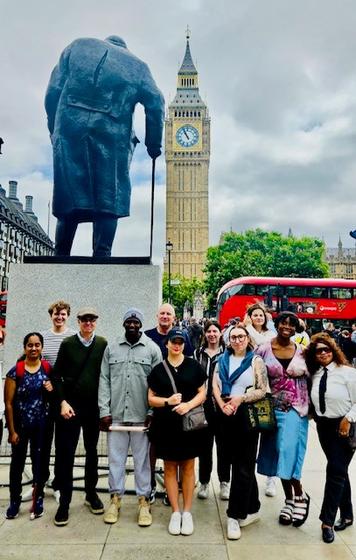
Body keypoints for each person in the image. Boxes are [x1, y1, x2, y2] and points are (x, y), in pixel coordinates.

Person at [45, 35, 164, 256]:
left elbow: (52, 91)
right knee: (109, 195)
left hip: (69, 128)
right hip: (112, 135)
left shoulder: (77, 45)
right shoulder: (138, 67)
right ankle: (102, 253)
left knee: (68, 193)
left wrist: (54, 126)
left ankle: (60, 253)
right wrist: (153, 144)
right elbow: (156, 103)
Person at [98, 308, 161, 527]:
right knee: (116, 460)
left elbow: (157, 385)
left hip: (141, 416)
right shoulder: (111, 348)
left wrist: (153, 412)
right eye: (129, 322)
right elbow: (104, 380)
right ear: (124, 324)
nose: (132, 325)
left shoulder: (152, 349)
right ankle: (115, 499)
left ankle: (143, 501)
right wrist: (104, 411)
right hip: (115, 416)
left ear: (141, 325)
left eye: (136, 322)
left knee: (142, 462)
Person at [51, 306, 107, 526]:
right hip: (71, 407)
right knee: (66, 454)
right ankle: (64, 502)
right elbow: (56, 376)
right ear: (78, 321)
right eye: (84, 320)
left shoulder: (102, 343)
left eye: (92, 319)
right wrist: (62, 402)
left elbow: (106, 375)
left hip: (92, 407)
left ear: (96, 321)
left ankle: (90, 493)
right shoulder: (68, 344)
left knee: (92, 451)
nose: (88, 323)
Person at [147, 328, 206, 536]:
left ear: (184, 344)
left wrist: (188, 405)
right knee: (170, 467)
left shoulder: (193, 366)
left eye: (181, 342)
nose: (177, 345)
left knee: (189, 467)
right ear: (167, 343)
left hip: (188, 425)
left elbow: (203, 393)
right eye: (174, 341)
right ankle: (175, 511)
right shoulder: (158, 369)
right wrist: (167, 401)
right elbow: (151, 398)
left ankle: (187, 512)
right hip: (166, 425)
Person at [212, 325, 268, 540]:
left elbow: (262, 389)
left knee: (243, 466)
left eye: (241, 336)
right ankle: (252, 506)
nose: (237, 340)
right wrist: (223, 404)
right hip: (225, 414)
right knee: (233, 461)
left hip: (246, 415)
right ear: (228, 340)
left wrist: (239, 399)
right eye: (233, 337)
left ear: (247, 338)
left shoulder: (255, 361)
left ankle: (234, 515)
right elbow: (215, 386)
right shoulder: (221, 360)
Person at [256, 312, 310, 528]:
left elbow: (314, 377)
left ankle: (300, 494)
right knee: (277, 454)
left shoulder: (304, 352)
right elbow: (254, 376)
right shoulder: (263, 348)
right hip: (272, 408)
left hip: (297, 408)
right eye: (283, 323)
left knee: (288, 450)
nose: (287, 326)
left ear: (296, 328)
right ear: (276, 325)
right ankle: (289, 500)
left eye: (291, 324)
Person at [304, 333, 356, 543]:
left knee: (334, 470)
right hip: (324, 428)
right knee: (339, 470)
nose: (323, 353)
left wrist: (349, 418)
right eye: (319, 351)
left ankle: (327, 521)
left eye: (327, 349)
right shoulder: (314, 375)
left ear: (334, 351)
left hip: (346, 426)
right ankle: (348, 514)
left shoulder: (348, 373)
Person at [145, 302, 193, 505]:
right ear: (157, 316)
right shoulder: (147, 336)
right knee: (154, 445)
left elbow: (189, 365)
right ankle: (151, 485)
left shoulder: (183, 337)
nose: (165, 316)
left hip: (179, 402)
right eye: (162, 313)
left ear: (174, 318)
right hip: (156, 398)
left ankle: (172, 488)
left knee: (180, 450)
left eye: (169, 314)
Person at [4, 333, 52, 520]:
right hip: (21, 427)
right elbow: (8, 403)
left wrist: (51, 388)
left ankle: (38, 497)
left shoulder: (47, 369)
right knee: (17, 464)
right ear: (25, 348)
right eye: (30, 345)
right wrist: (12, 431)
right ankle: (14, 501)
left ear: (42, 347)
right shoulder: (15, 371)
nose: (33, 348)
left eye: (37, 345)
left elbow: (54, 394)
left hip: (42, 427)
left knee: (40, 463)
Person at [41, 300, 76, 502]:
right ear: (51, 315)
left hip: (64, 398)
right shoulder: (43, 338)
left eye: (63, 314)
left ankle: (58, 483)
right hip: (46, 397)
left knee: (62, 444)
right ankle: (40, 481)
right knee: (43, 443)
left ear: (67, 316)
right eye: (56, 314)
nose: (59, 317)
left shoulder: (72, 337)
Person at [243, 303, 277, 498]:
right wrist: (245, 327)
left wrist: (247, 327)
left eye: (261, 315)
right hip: (249, 390)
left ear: (265, 318)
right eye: (254, 315)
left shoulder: (270, 336)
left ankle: (271, 479)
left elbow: (262, 348)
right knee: (251, 437)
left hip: (269, 390)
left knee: (268, 435)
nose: (258, 318)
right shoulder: (243, 333)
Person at [194, 321, 229, 501]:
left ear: (220, 334)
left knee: (223, 446)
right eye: (209, 331)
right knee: (204, 447)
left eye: (215, 331)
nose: (212, 334)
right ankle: (204, 482)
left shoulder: (228, 355)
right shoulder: (197, 354)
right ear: (205, 334)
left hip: (222, 404)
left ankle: (224, 482)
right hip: (203, 405)